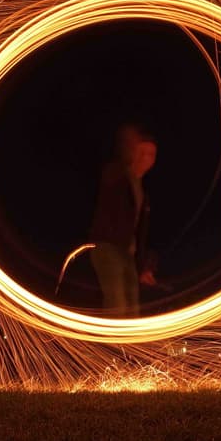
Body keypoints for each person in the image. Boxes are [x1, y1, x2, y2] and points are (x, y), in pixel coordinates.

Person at [88, 123, 158, 317]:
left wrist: (144, 266)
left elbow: (139, 233)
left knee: (132, 311)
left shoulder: (143, 193)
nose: (146, 158)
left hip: (128, 255)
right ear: (132, 152)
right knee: (117, 307)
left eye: (151, 154)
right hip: (108, 248)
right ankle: (112, 347)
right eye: (142, 152)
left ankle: (123, 348)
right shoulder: (116, 174)